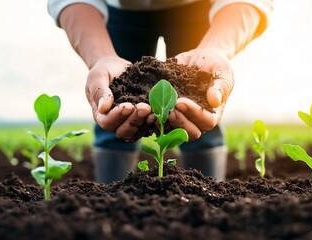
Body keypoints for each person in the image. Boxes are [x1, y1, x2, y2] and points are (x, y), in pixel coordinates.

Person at [47, 0, 273, 183]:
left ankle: (209, 200)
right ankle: (109, 202)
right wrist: (99, 56)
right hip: (119, 10)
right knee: (114, 110)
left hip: (197, 7)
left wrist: (217, 48)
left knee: (201, 109)